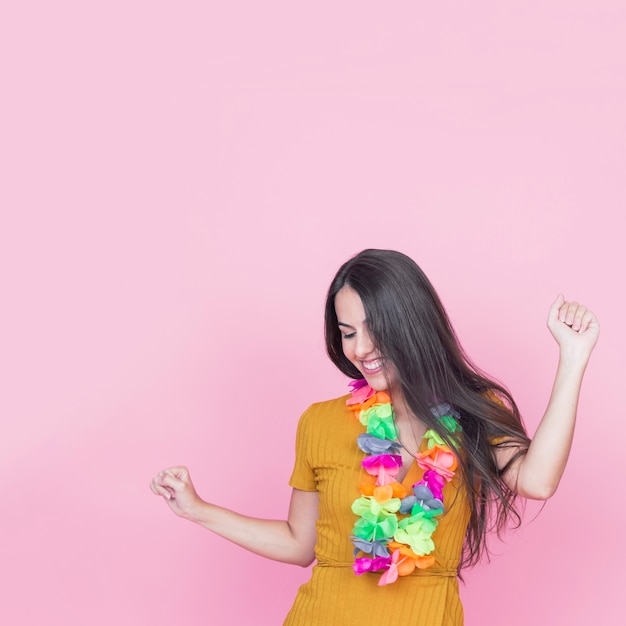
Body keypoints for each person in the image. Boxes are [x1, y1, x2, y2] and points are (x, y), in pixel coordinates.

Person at [150, 249, 599, 625]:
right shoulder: (319, 423)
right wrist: (197, 510)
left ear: (413, 323)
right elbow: (297, 543)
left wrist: (573, 359)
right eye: (347, 333)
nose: (360, 349)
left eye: (374, 329)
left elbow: (537, 481)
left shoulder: (473, 416)